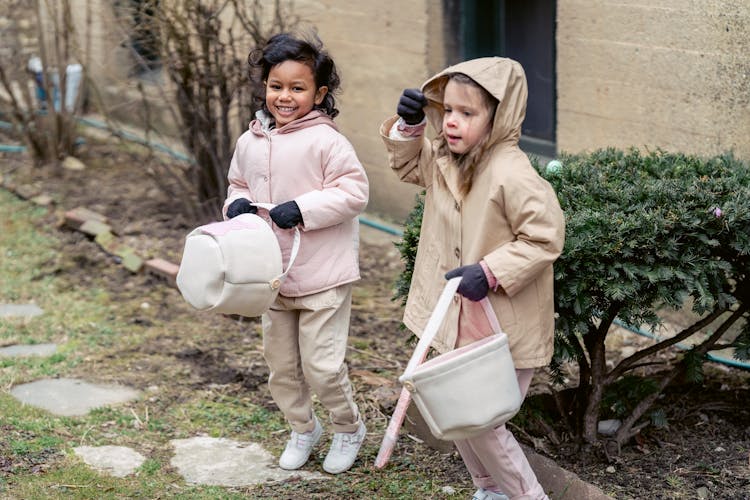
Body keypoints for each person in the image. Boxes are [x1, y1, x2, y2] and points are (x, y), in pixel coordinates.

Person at [380, 57, 565, 499]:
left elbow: (545, 236)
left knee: (481, 418)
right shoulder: (446, 160)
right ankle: (489, 488)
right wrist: (408, 128)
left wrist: (490, 271)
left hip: (502, 322)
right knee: (458, 408)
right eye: (447, 111)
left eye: (468, 113)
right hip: (456, 318)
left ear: (498, 117)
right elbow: (409, 168)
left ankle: (527, 495)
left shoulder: (511, 172)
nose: (451, 123)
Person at [223, 32, 369, 474]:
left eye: (297, 88)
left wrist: (302, 209)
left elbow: (354, 192)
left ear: (319, 93)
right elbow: (238, 183)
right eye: (276, 86)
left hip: (323, 274)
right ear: (265, 86)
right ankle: (303, 428)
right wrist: (234, 205)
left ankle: (348, 428)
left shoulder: (327, 142)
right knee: (282, 367)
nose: (284, 97)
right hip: (272, 274)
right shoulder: (251, 141)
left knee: (322, 366)